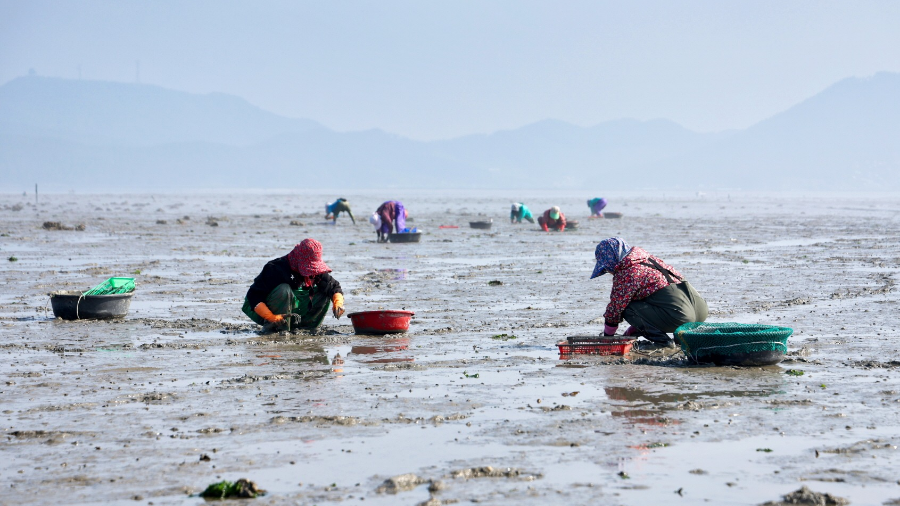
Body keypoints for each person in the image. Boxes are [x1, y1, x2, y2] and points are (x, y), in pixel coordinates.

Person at [590, 237, 707, 346]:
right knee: (639, 302)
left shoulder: (627, 271)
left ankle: (665, 344)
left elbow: (615, 310)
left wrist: (607, 339)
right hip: (700, 311)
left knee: (626, 308)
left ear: (612, 259)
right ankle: (681, 341)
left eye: (606, 268)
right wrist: (635, 328)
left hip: (680, 316)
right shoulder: (650, 260)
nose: (608, 271)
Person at [241, 238, 345, 330]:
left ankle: (307, 328)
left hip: (295, 306)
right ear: (299, 259)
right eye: (308, 268)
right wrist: (271, 317)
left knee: (324, 291)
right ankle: (278, 328)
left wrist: (338, 304)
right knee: (284, 289)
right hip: (268, 310)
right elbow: (253, 296)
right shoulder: (275, 269)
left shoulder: (316, 272)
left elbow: (334, 287)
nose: (311, 272)